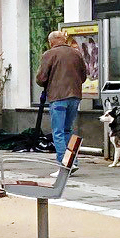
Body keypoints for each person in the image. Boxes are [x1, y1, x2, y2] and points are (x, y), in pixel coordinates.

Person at [34, 30, 87, 166]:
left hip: (57, 97)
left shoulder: (49, 54)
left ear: (51, 42)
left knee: (58, 131)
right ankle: (73, 160)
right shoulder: (77, 53)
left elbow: (41, 78)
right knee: (67, 130)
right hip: (75, 96)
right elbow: (83, 76)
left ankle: (64, 162)